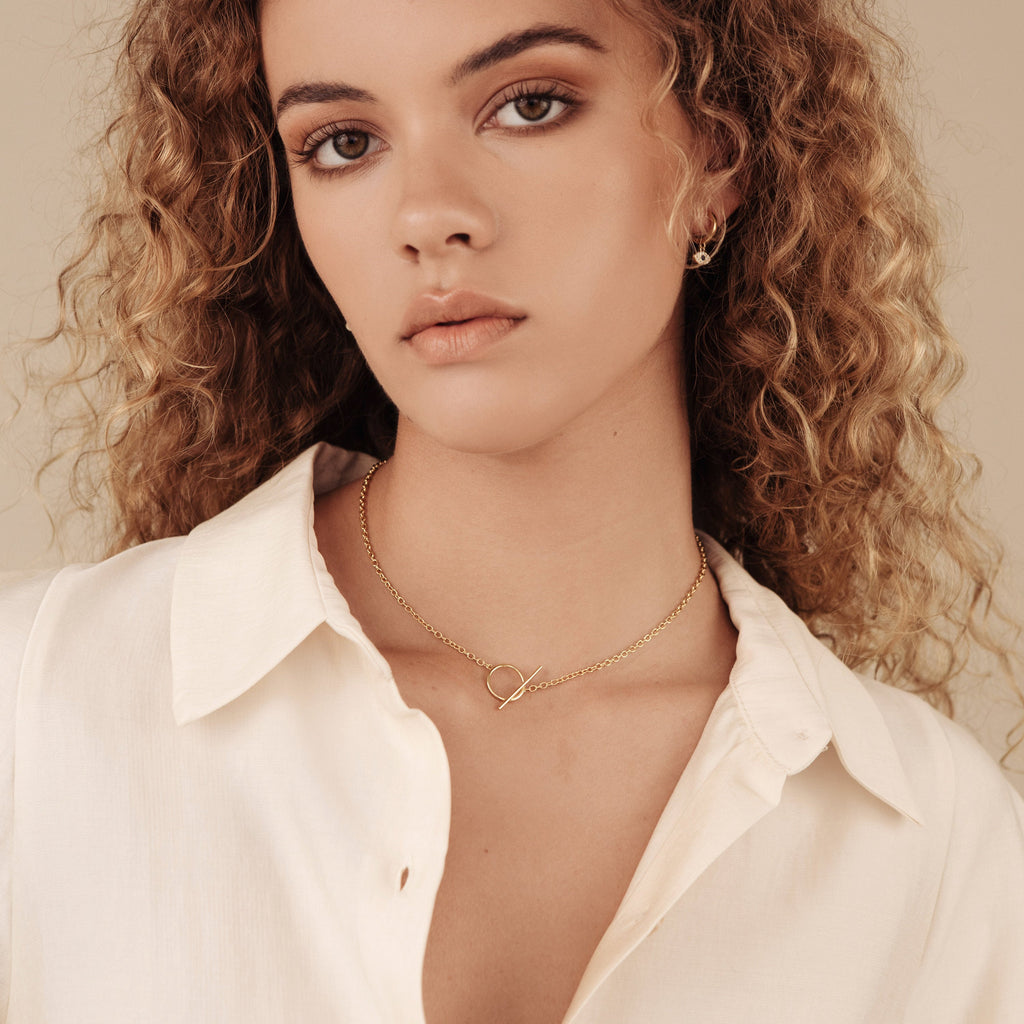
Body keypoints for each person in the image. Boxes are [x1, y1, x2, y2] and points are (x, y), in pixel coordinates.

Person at [2, 0, 1022, 1020]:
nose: (428, 213)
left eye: (529, 105)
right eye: (343, 143)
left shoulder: (930, 853)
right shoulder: (40, 712)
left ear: (717, 151)